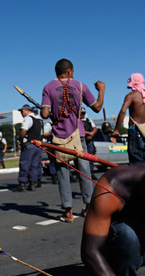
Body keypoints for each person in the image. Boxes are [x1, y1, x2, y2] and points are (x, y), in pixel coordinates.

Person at [41, 59, 105, 222]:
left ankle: (68, 212)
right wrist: (101, 91)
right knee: (85, 171)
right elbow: (97, 107)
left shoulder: (48, 87)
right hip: (78, 134)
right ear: (69, 71)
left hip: (59, 137)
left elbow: (44, 114)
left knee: (63, 174)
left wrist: (50, 110)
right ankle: (88, 207)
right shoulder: (80, 86)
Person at [111, 73, 145, 164]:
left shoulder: (131, 96)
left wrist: (116, 130)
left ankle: (138, 178)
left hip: (135, 130)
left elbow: (123, 111)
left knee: (136, 161)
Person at [15, 104, 43, 192]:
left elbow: (23, 130)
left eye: (22, 111)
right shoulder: (39, 120)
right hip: (37, 145)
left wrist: (20, 140)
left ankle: (22, 184)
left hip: (29, 144)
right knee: (34, 165)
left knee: (25, 164)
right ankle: (32, 184)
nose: (21, 113)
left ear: (27, 110)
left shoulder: (28, 118)